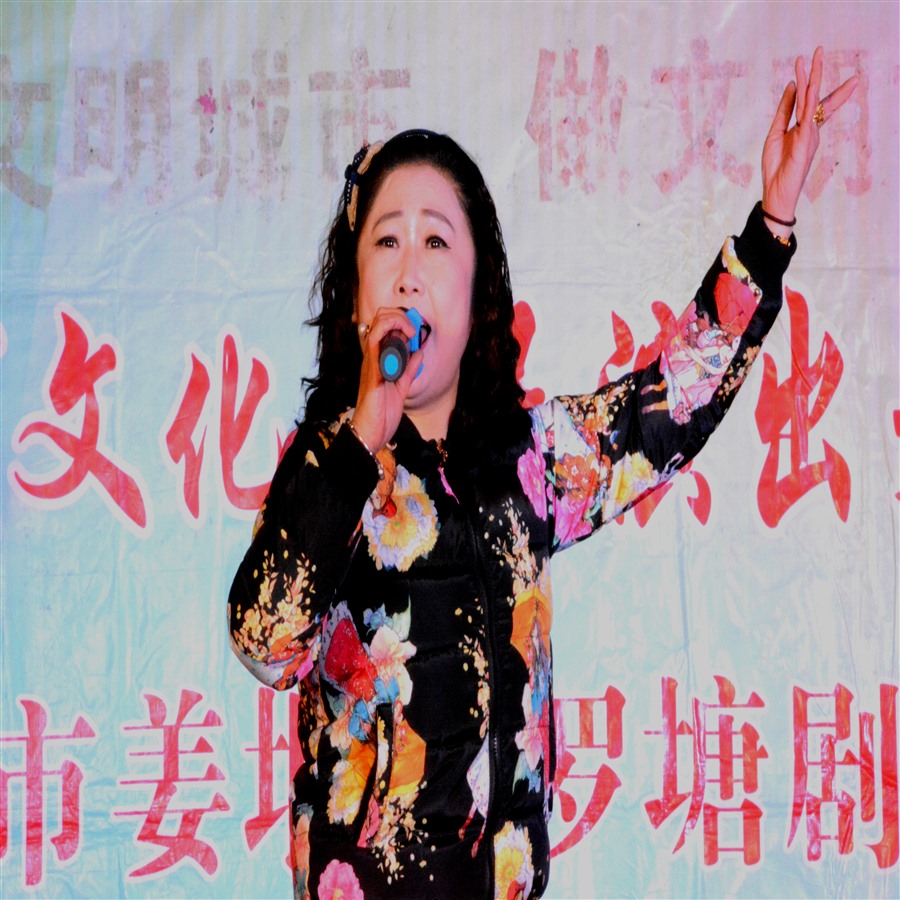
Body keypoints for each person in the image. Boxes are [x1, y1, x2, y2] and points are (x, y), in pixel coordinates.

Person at [228, 48, 857, 899]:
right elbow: (266, 644)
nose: (409, 270)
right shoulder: (326, 470)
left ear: (478, 288)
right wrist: (363, 432)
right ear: (355, 294)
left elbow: (670, 405)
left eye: (435, 240)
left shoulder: (533, 459)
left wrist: (770, 226)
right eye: (386, 241)